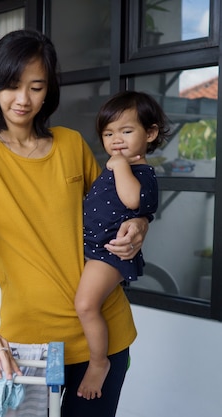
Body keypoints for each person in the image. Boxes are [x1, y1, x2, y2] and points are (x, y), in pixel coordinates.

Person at [0, 29, 149, 417]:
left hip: (104, 335)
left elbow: (118, 209)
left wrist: (140, 224)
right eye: (11, 85)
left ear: (48, 90)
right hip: (29, 342)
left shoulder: (71, 145)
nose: (23, 99)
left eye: (36, 87)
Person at [76, 91, 167, 400]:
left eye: (126, 131)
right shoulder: (117, 166)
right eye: (109, 133)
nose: (116, 140)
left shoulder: (142, 172)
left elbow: (132, 200)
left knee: (86, 305)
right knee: (87, 304)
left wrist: (120, 166)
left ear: (150, 133)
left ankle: (99, 362)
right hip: (95, 249)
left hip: (110, 253)